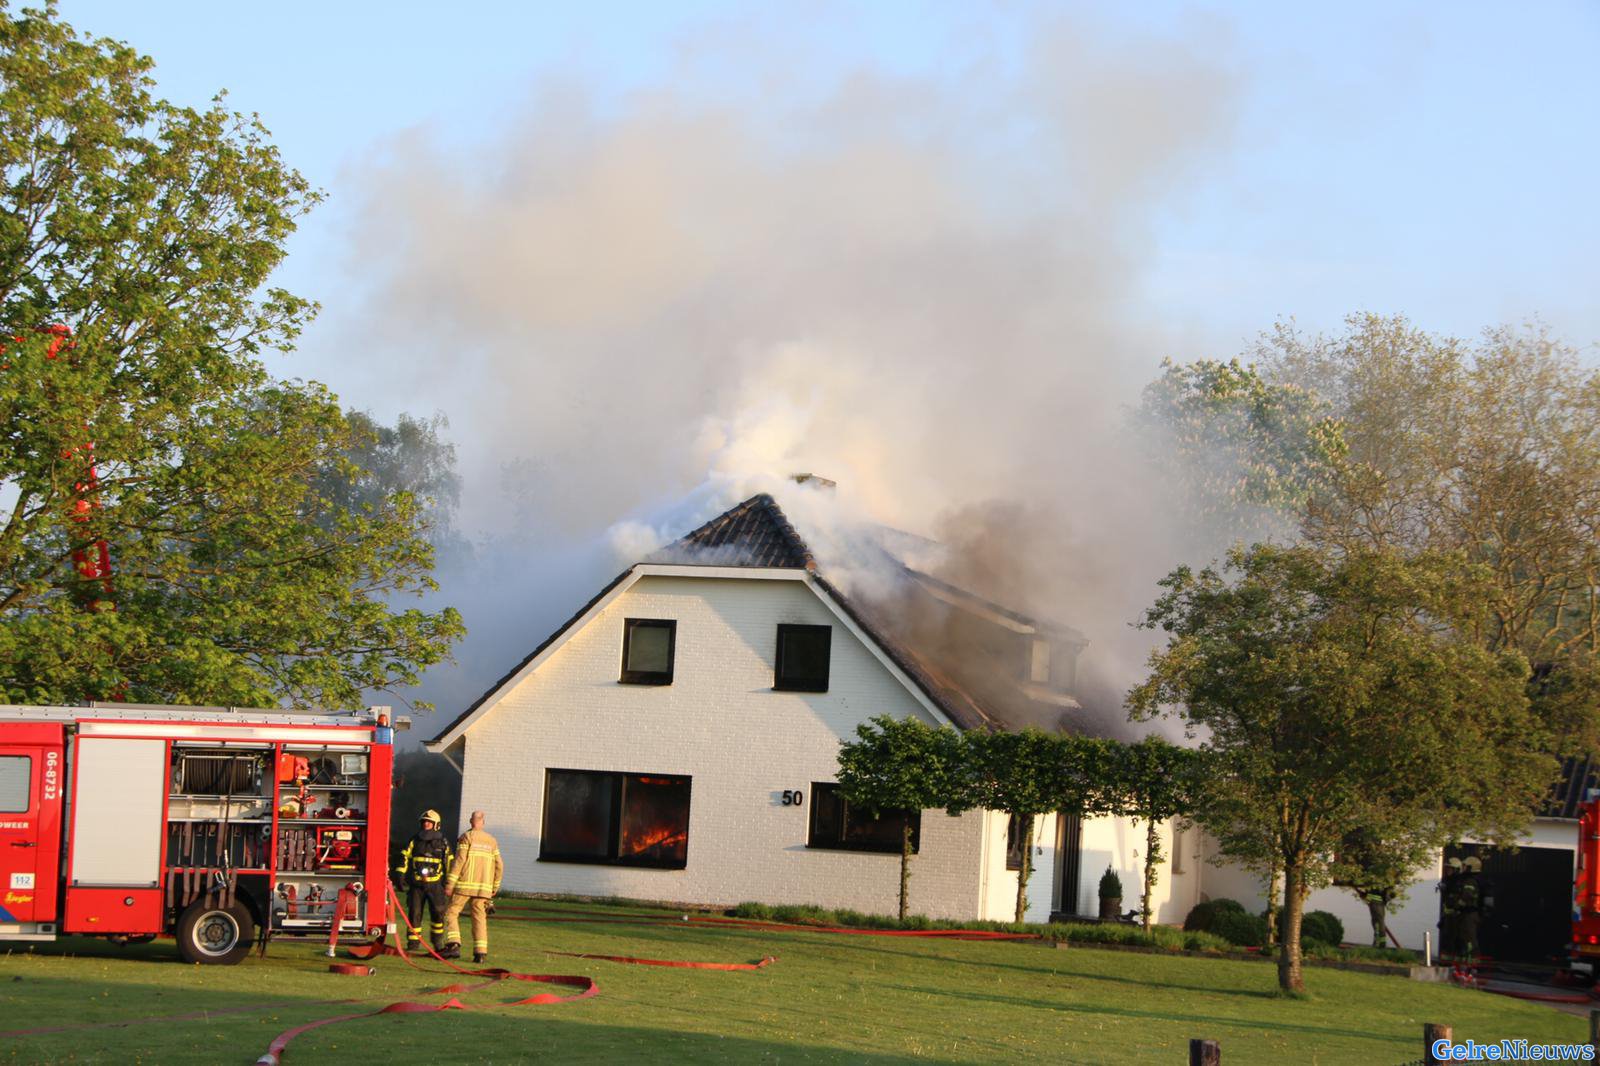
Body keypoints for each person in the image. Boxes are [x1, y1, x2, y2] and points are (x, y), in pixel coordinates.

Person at [442, 809, 503, 962]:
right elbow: (499, 865)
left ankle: (453, 945)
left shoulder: (466, 837)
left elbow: (459, 861)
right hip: (483, 889)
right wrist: (495, 886)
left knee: (451, 912)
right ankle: (480, 953)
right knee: (479, 919)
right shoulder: (492, 841)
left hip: (464, 886)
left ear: (471, 821)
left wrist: (450, 883)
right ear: (483, 823)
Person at [394, 809, 453, 953]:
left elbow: (450, 862)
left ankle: (438, 942)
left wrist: (449, 882)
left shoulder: (443, 842)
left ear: (436, 824)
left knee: (438, 913)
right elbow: (404, 857)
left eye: (429, 822)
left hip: (435, 885)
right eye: (424, 822)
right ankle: (413, 944)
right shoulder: (415, 840)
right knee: (415, 913)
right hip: (417, 885)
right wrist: (400, 876)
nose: (426, 824)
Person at [1438, 856, 1464, 957]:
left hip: (1457, 916)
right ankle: (1447, 958)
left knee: (1456, 938)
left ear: (1456, 869)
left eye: (1450, 868)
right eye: (1447, 868)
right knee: (1446, 938)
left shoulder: (1460, 882)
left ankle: (1455, 959)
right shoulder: (1446, 880)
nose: (1448, 870)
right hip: (1447, 916)